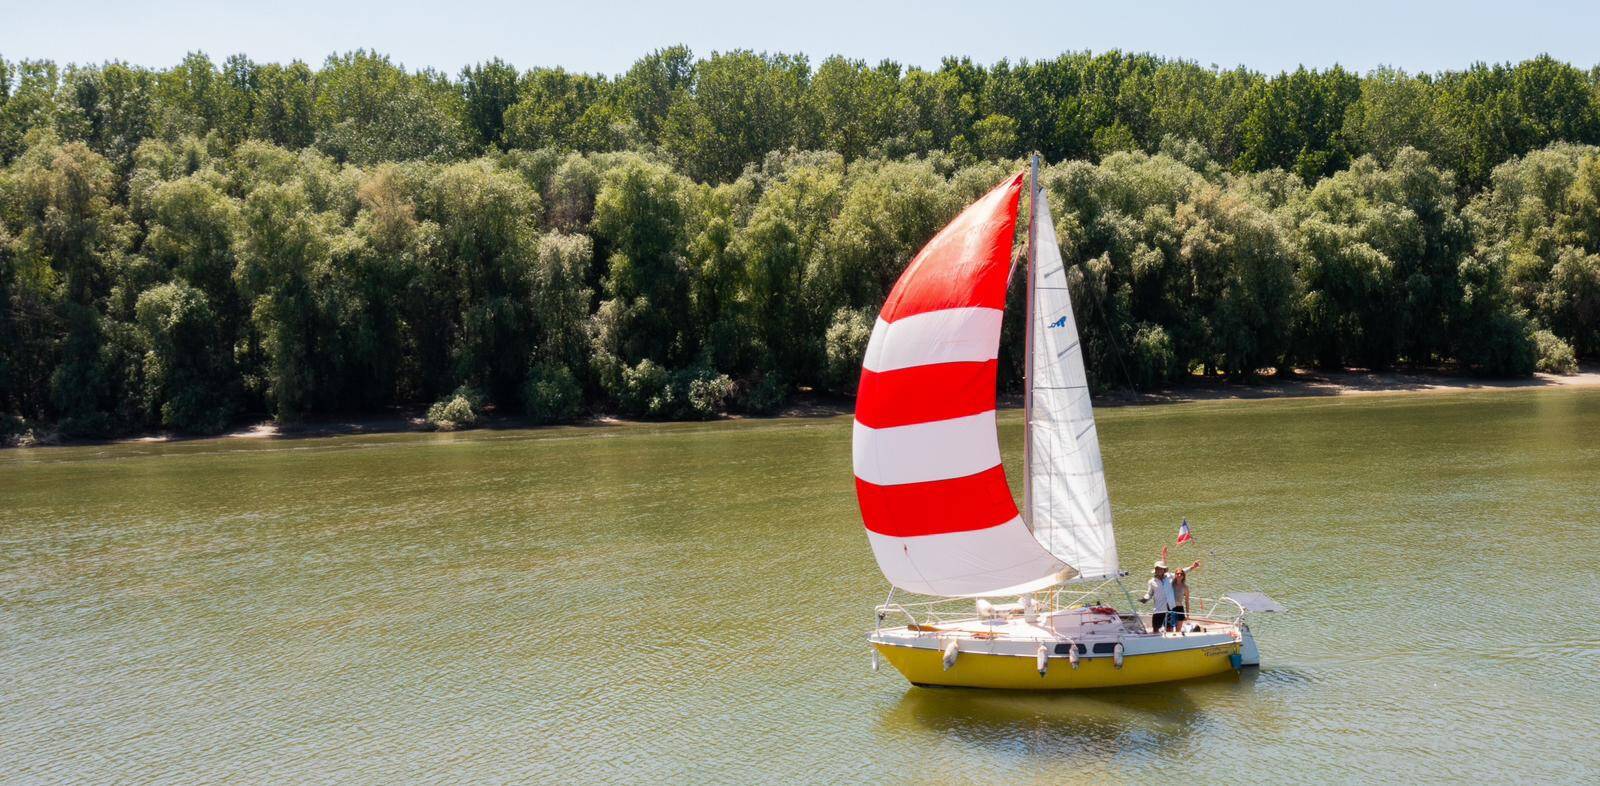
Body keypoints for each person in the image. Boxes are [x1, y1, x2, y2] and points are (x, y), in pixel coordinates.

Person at [1169, 562, 1200, 631]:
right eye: (1177, 574)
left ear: (1183, 576)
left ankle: (1177, 641)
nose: (1179, 575)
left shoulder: (1185, 587)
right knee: (1170, 629)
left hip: (1180, 608)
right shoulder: (1171, 584)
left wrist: (1187, 614)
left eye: (1181, 574)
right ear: (1175, 575)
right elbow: (1166, 573)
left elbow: (1187, 601)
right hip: (1171, 608)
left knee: (1178, 629)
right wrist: (1192, 567)